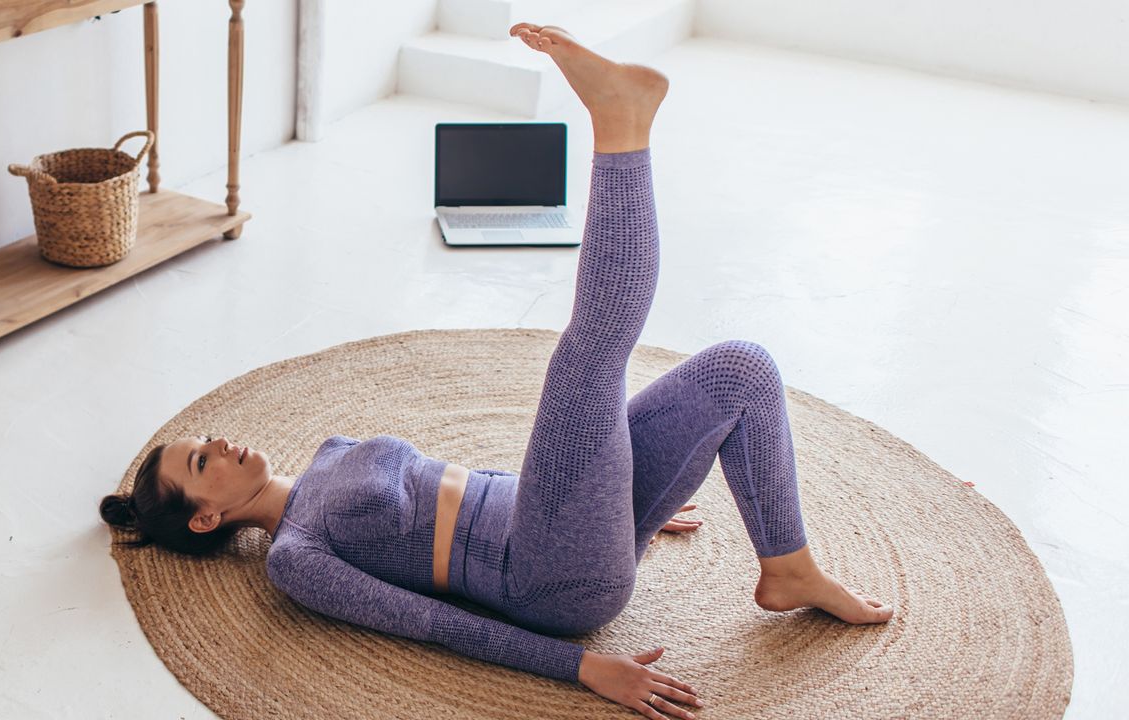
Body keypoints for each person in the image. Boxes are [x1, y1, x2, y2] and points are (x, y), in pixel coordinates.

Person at [100, 23, 893, 720]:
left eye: (205, 440)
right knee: (589, 351)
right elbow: (433, 625)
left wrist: (620, 492)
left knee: (740, 372)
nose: (221, 443)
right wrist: (582, 668)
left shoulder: (331, 453)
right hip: (546, 580)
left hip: (559, 519)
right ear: (206, 518)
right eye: (202, 462)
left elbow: (468, 483)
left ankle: (787, 570)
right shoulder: (296, 559)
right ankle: (621, 124)